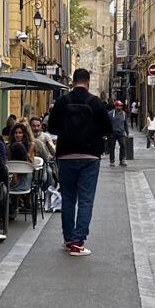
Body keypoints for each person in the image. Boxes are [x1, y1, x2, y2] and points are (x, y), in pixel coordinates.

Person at [48, 68, 111, 257]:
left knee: (68, 198)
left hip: (66, 155)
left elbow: (52, 128)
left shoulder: (61, 102)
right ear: (88, 83)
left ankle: (68, 239)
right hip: (90, 156)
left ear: (73, 82)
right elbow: (107, 129)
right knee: (86, 199)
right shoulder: (97, 103)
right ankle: (78, 243)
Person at [107, 100, 131, 167]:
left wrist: (127, 133)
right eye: (119, 106)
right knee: (112, 147)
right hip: (112, 133)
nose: (120, 107)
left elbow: (125, 124)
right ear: (116, 106)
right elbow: (107, 124)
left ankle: (122, 160)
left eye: (121, 106)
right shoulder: (110, 114)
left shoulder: (123, 114)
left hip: (121, 133)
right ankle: (112, 161)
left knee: (123, 146)